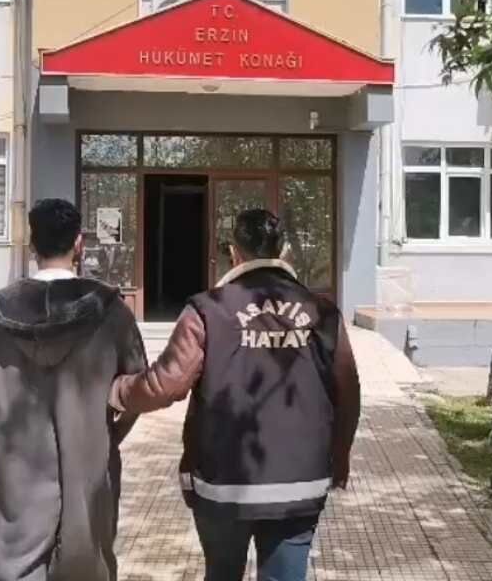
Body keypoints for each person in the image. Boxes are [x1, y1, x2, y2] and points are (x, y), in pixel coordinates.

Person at [110, 208, 361, 581]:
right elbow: (349, 394)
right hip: (301, 483)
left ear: (234, 252)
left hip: (223, 483)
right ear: (284, 250)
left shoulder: (207, 309)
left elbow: (166, 384)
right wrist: (339, 459)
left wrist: (116, 391)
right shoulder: (322, 313)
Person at [0, 198, 147, 581]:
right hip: (88, 463)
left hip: (13, 467)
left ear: (32, 244)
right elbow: (139, 389)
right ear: (79, 243)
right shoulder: (110, 310)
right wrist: (108, 434)